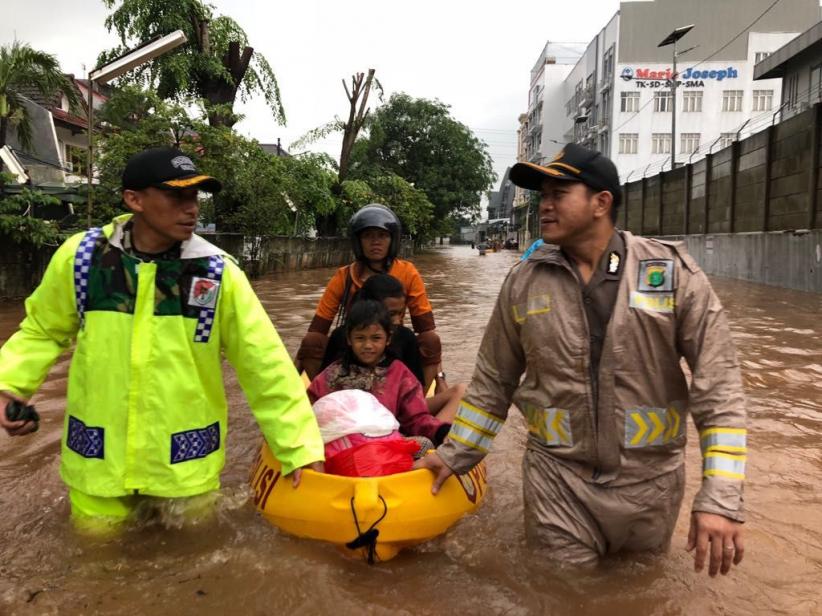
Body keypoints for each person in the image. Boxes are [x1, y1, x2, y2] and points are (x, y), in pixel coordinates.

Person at [415, 143, 747, 576]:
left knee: (639, 594)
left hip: (652, 487)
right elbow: (493, 383)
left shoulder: (671, 273)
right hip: (558, 482)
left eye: (559, 194)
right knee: (562, 594)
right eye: (542, 196)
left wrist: (720, 497)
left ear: (601, 202)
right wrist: (454, 455)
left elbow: (719, 386)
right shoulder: (524, 283)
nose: (545, 206)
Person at [0, 147, 324, 530]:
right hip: (99, 456)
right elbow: (42, 330)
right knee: (93, 561)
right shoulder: (84, 259)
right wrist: (9, 385)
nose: (192, 208)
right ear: (134, 200)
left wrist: (299, 447)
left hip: (184, 460)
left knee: (192, 562)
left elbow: (263, 362)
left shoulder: (217, 273)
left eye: (194, 197)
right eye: (176, 195)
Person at [295, 204, 443, 390]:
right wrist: (293, 376)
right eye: (368, 236)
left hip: (392, 342)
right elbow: (317, 330)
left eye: (382, 235)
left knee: (430, 340)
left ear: (392, 240)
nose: (375, 242)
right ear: (358, 241)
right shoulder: (344, 276)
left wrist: (440, 379)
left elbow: (427, 331)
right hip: (355, 341)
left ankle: (416, 399)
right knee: (312, 341)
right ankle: (329, 394)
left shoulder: (408, 272)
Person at [320, 273, 465, 422]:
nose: (396, 320)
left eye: (400, 313)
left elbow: (415, 393)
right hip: (353, 414)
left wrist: (439, 379)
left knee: (462, 392)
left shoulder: (406, 338)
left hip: (398, 411)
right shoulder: (341, 336)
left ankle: (435, 436)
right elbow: (325, 390)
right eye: (390, 314)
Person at [308, 300, 451, 447]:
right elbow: (309, 412)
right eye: (360, 338)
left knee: (425, 444)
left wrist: (442, 432)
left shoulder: (400, 375)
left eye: (376, 338)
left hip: (386, 444)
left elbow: (417, 418)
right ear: (349, 339)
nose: (368, 345)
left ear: (388, 339)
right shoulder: (333, 374)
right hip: (341, 446)